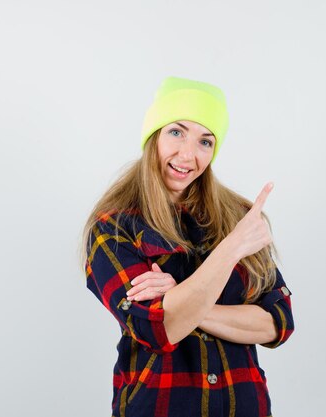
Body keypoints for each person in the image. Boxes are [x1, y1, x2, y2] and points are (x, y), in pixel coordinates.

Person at [80, 76, 294, 417]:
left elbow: (277, 324)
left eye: (205, 142)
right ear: (154, 135)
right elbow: (158, 328)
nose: (188, 155)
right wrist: (231, 249)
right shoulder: (113, 227)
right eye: (176, 132)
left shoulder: (237, 216)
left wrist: (182, 298)